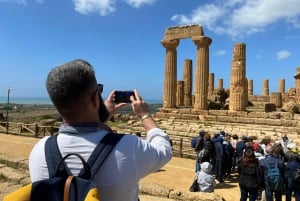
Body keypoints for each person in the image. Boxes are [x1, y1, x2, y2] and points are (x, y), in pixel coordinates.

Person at [28, 59, 173, 201]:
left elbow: (87, 138)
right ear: (96, 99)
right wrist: (145, 115)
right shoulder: (129, 148)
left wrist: (102, 116)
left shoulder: (39, 151)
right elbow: (164, 150)